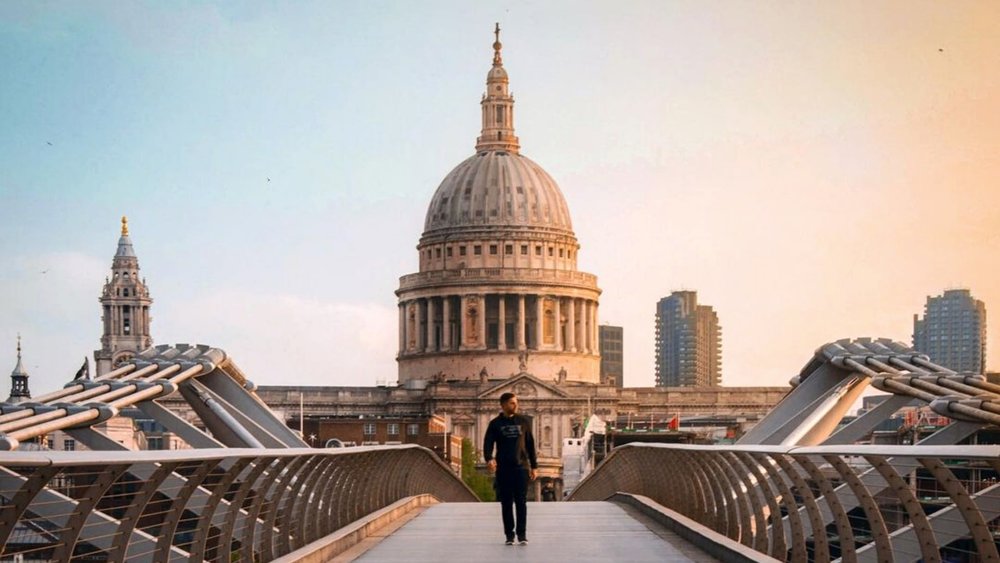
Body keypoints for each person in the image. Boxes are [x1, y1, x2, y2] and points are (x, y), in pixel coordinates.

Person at [483, 392, 538, 545]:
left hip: (521, 467)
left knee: (521, 502)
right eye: (512, 403)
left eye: (516, 402)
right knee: (506, 502)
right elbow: (488, 443)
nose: (516, 405)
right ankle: (509, 535)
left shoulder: (524, 421)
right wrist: (489, 458)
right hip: (503, 468)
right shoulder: (495, 424)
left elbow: (530, 445)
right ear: (503, 405)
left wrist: (534, 466)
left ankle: (522, 535)